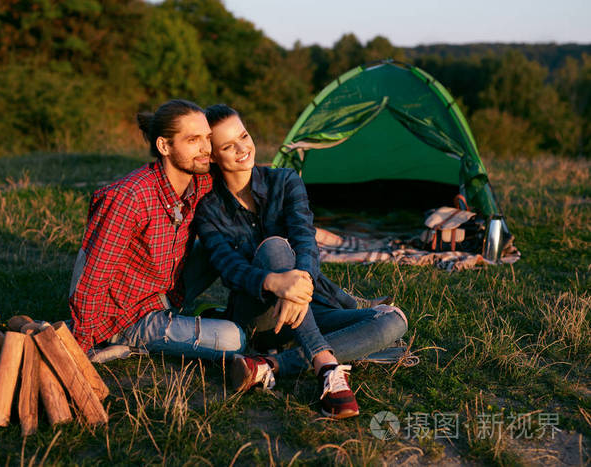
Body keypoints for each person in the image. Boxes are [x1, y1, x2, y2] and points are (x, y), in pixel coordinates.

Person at [195, 104, 409, 419]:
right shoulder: (209, 208)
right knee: (275, 249)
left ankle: (271, 365)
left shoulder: (284, 181)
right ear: (213, 156)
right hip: (258, 318)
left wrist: (301, 283)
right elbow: (228, 267)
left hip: (305, 303)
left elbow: (306, 240)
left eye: (244, 136)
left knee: (393, 320)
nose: (243, 149)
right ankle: (326, 365)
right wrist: (272, 281)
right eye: (228, 146)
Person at [68, 99, 245, 360]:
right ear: (164, 146)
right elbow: (93, 278)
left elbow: (248, 181)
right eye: (193, 140)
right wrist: (81, 344)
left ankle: (242, 312)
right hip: (124, 315)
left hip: (164, 293)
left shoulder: (200, 182)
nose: (207, 148)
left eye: (207, 138)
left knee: (224, 242)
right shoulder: (130, 197)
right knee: (233, 338)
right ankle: (126, 341)